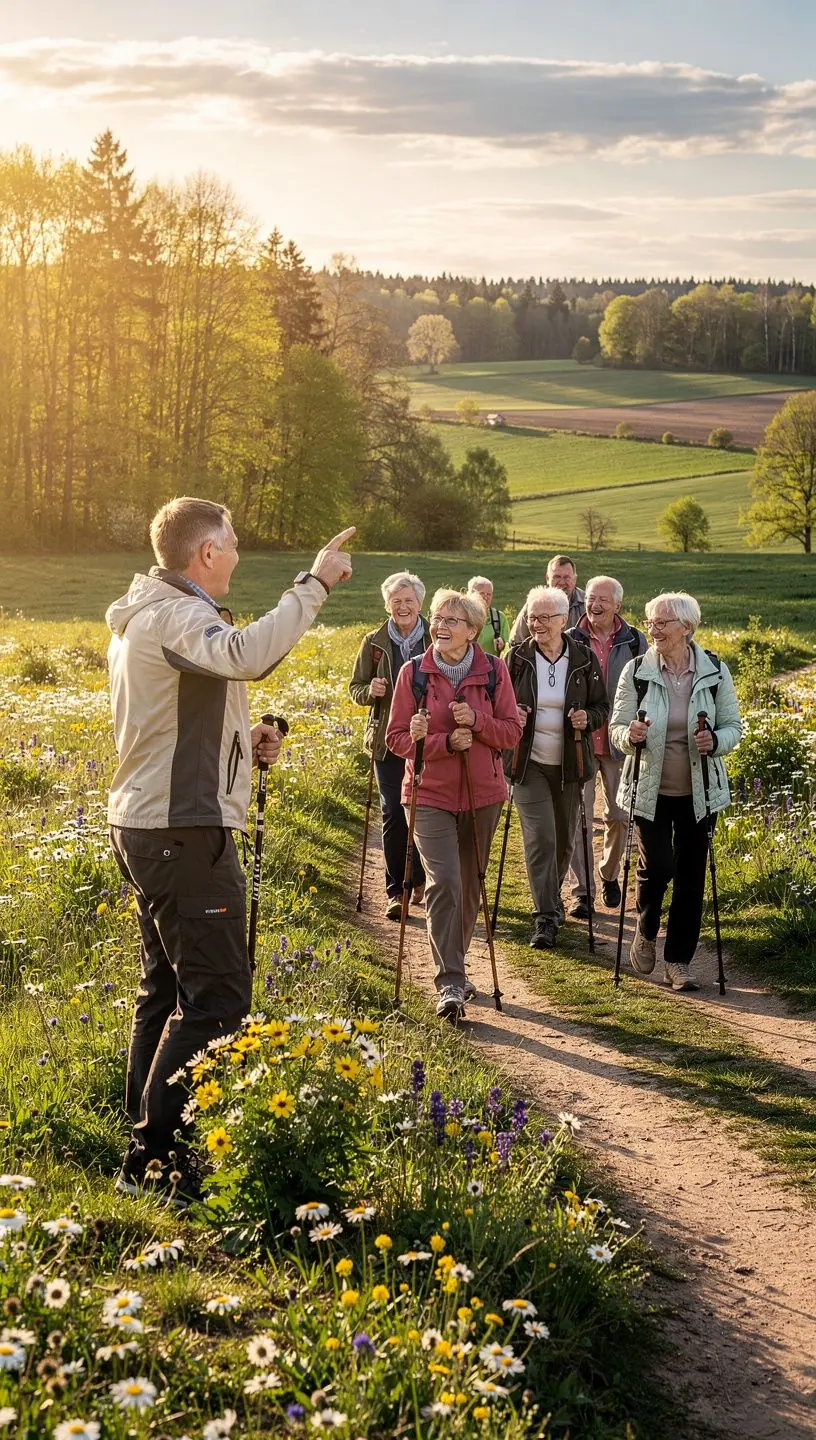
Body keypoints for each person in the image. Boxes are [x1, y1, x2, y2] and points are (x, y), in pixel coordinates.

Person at [106, 496, 354, 1200]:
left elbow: (179, 716)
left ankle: (145, 1141)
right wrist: (315, 583)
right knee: (216, 1000)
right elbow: (247, 658)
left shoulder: (149, 613)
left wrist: (249, 746)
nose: (241, 552)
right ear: (206, 553)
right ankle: (154, 1163)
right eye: (234, 542)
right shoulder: (177, 615)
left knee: (165, 991)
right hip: (183, 829)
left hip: (152, 823)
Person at [386, 588, 523, 1020]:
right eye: (438, 619)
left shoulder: (495, 672)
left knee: (468, 889)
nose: (440, 627)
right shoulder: (415, 674)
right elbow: (396, 739)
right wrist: (442, 740)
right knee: (444, 881)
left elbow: (510, 732)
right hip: (428, 793)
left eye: (451, 620)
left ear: (473, 631)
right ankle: (449, 984)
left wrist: (477, 722)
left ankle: (456, 968)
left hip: (483, 794)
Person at [610, 591, 741, 992]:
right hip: (649, 788)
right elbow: (616, 727)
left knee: (691, 877)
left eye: (662, 622)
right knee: (660, 867)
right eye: (651, 622)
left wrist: (715, 741)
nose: (654, 629)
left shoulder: (715, 671)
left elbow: (733, 727)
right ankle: (647, 929)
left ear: (686, 627)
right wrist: (628, 734)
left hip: (699, 792)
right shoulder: (637, 671)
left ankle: (678, 962)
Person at [506, 586, 608, 951]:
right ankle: (545, 916)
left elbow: (603, 708)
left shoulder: (582, 658)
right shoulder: (516, 658)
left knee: (564, 840)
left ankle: (551, 901)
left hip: (570, 764)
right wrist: (511, 714)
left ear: (564, 620)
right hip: (527, 762)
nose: (538, 624)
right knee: (540, 837)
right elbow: (497, 704)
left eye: (546, 617)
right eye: (533, 617)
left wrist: (587, 718)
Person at [349, 572, 430, 920]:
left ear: (420, 604)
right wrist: (371, 692)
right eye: (396, 601)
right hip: (387, 741)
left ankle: (423, 879)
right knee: (394, 813)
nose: (402, 607)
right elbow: (355, 687)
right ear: (387, 605)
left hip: (429, 740)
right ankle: (396, 890)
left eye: (408, 601)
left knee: (425, 812)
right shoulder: (373, 641)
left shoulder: (437, 637)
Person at [566, 576, 648, 920]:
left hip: (618, 744)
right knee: (579, 819)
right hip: (579, 741)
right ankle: (582, 892)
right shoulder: (571, 639)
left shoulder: (634, 641)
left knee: (618, 815)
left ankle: (609, 873)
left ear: (617, 605)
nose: (594, 605)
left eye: (603, 600)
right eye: (591, 599)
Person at [509, 555, 585, 643]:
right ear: (547, 578)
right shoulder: (535, 603)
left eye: (566, 577)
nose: (561, 582)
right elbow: (516, 640)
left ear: (574, 579)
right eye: (557, 577)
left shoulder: (587, 603)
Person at [468, 575, 510, 655]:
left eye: (489, 594)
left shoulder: (499, 618)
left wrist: (502, 646)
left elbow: (508, 649)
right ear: (470, 594)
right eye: (482, 593)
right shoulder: (462, 615)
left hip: (491, 666)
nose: (486, 597)